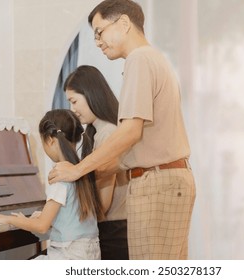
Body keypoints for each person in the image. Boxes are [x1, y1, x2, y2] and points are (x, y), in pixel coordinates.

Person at [48, 0, 196, 260]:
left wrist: (77, 170)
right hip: (166, 180)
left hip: (155, 184)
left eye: (99, 31)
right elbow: (144, 141)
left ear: (124, 23)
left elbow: (130, 132)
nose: (97, 41)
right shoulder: (153, 59)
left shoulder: (139, 59)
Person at [0, 109, 104, 260]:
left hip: (67, 256)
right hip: (89, 255)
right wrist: (30, 219)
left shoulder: (59, 175)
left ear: (50, 140)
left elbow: (42, 226)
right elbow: (72, 214)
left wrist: (7, 219)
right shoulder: (80, 171)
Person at [63, 65, 129, 260]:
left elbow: (103, 204)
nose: (72, 110)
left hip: (113, 232)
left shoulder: (107, 133)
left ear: (91, 94)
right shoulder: (100, 131)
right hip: (116, 229)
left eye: (74, 101)